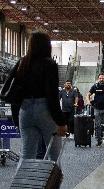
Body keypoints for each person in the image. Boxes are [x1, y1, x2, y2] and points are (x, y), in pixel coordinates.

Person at [15, 31, 67, 167]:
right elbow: (52, 96)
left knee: (26, 155)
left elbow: (16, 92)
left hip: (25, 110)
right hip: (45, 110)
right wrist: (61, 122)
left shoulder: (22, 63)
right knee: (54, 156)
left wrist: (17, 117)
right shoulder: (49, 64)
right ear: (47, 46)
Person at [86, 73, 104, 147]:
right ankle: (98, 141)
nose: (101, 79)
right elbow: (88, 94)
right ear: (98, 79)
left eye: (103, 78)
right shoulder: (95, 86)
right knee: (97, 125)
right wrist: (88, 101)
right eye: (100, 78)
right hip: (97, 109)